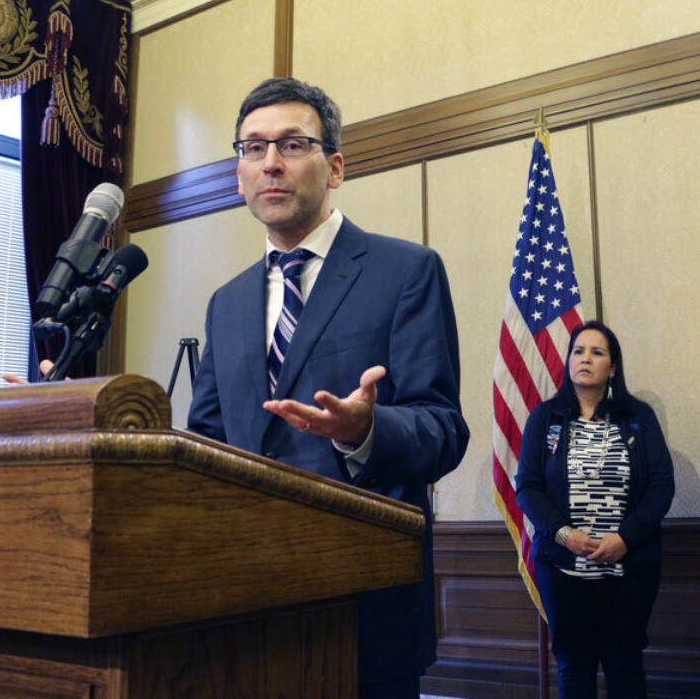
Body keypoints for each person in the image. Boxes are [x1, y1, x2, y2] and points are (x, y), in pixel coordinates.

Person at [187, 77, 469, 699]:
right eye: (252, 148)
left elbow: (444, 430)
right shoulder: (226, 303)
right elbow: (206, 444)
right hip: (246, 613)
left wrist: (365, 429)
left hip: (364, 610)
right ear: (238, 173)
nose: (270, 163)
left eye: (292, 144)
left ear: (335, 166)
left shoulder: (406, 271)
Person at [515, 321, 674, 699]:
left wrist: (625, 538)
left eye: (597, 352)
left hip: (629, 568)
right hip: (563, 568)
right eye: (578, 351)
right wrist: (564, 534)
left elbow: (661, 486)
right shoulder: (545, 418)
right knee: (574, 664)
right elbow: (528, 488)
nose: (585, 358)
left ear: (613, 368)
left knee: (625, 664)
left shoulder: (638, 417)